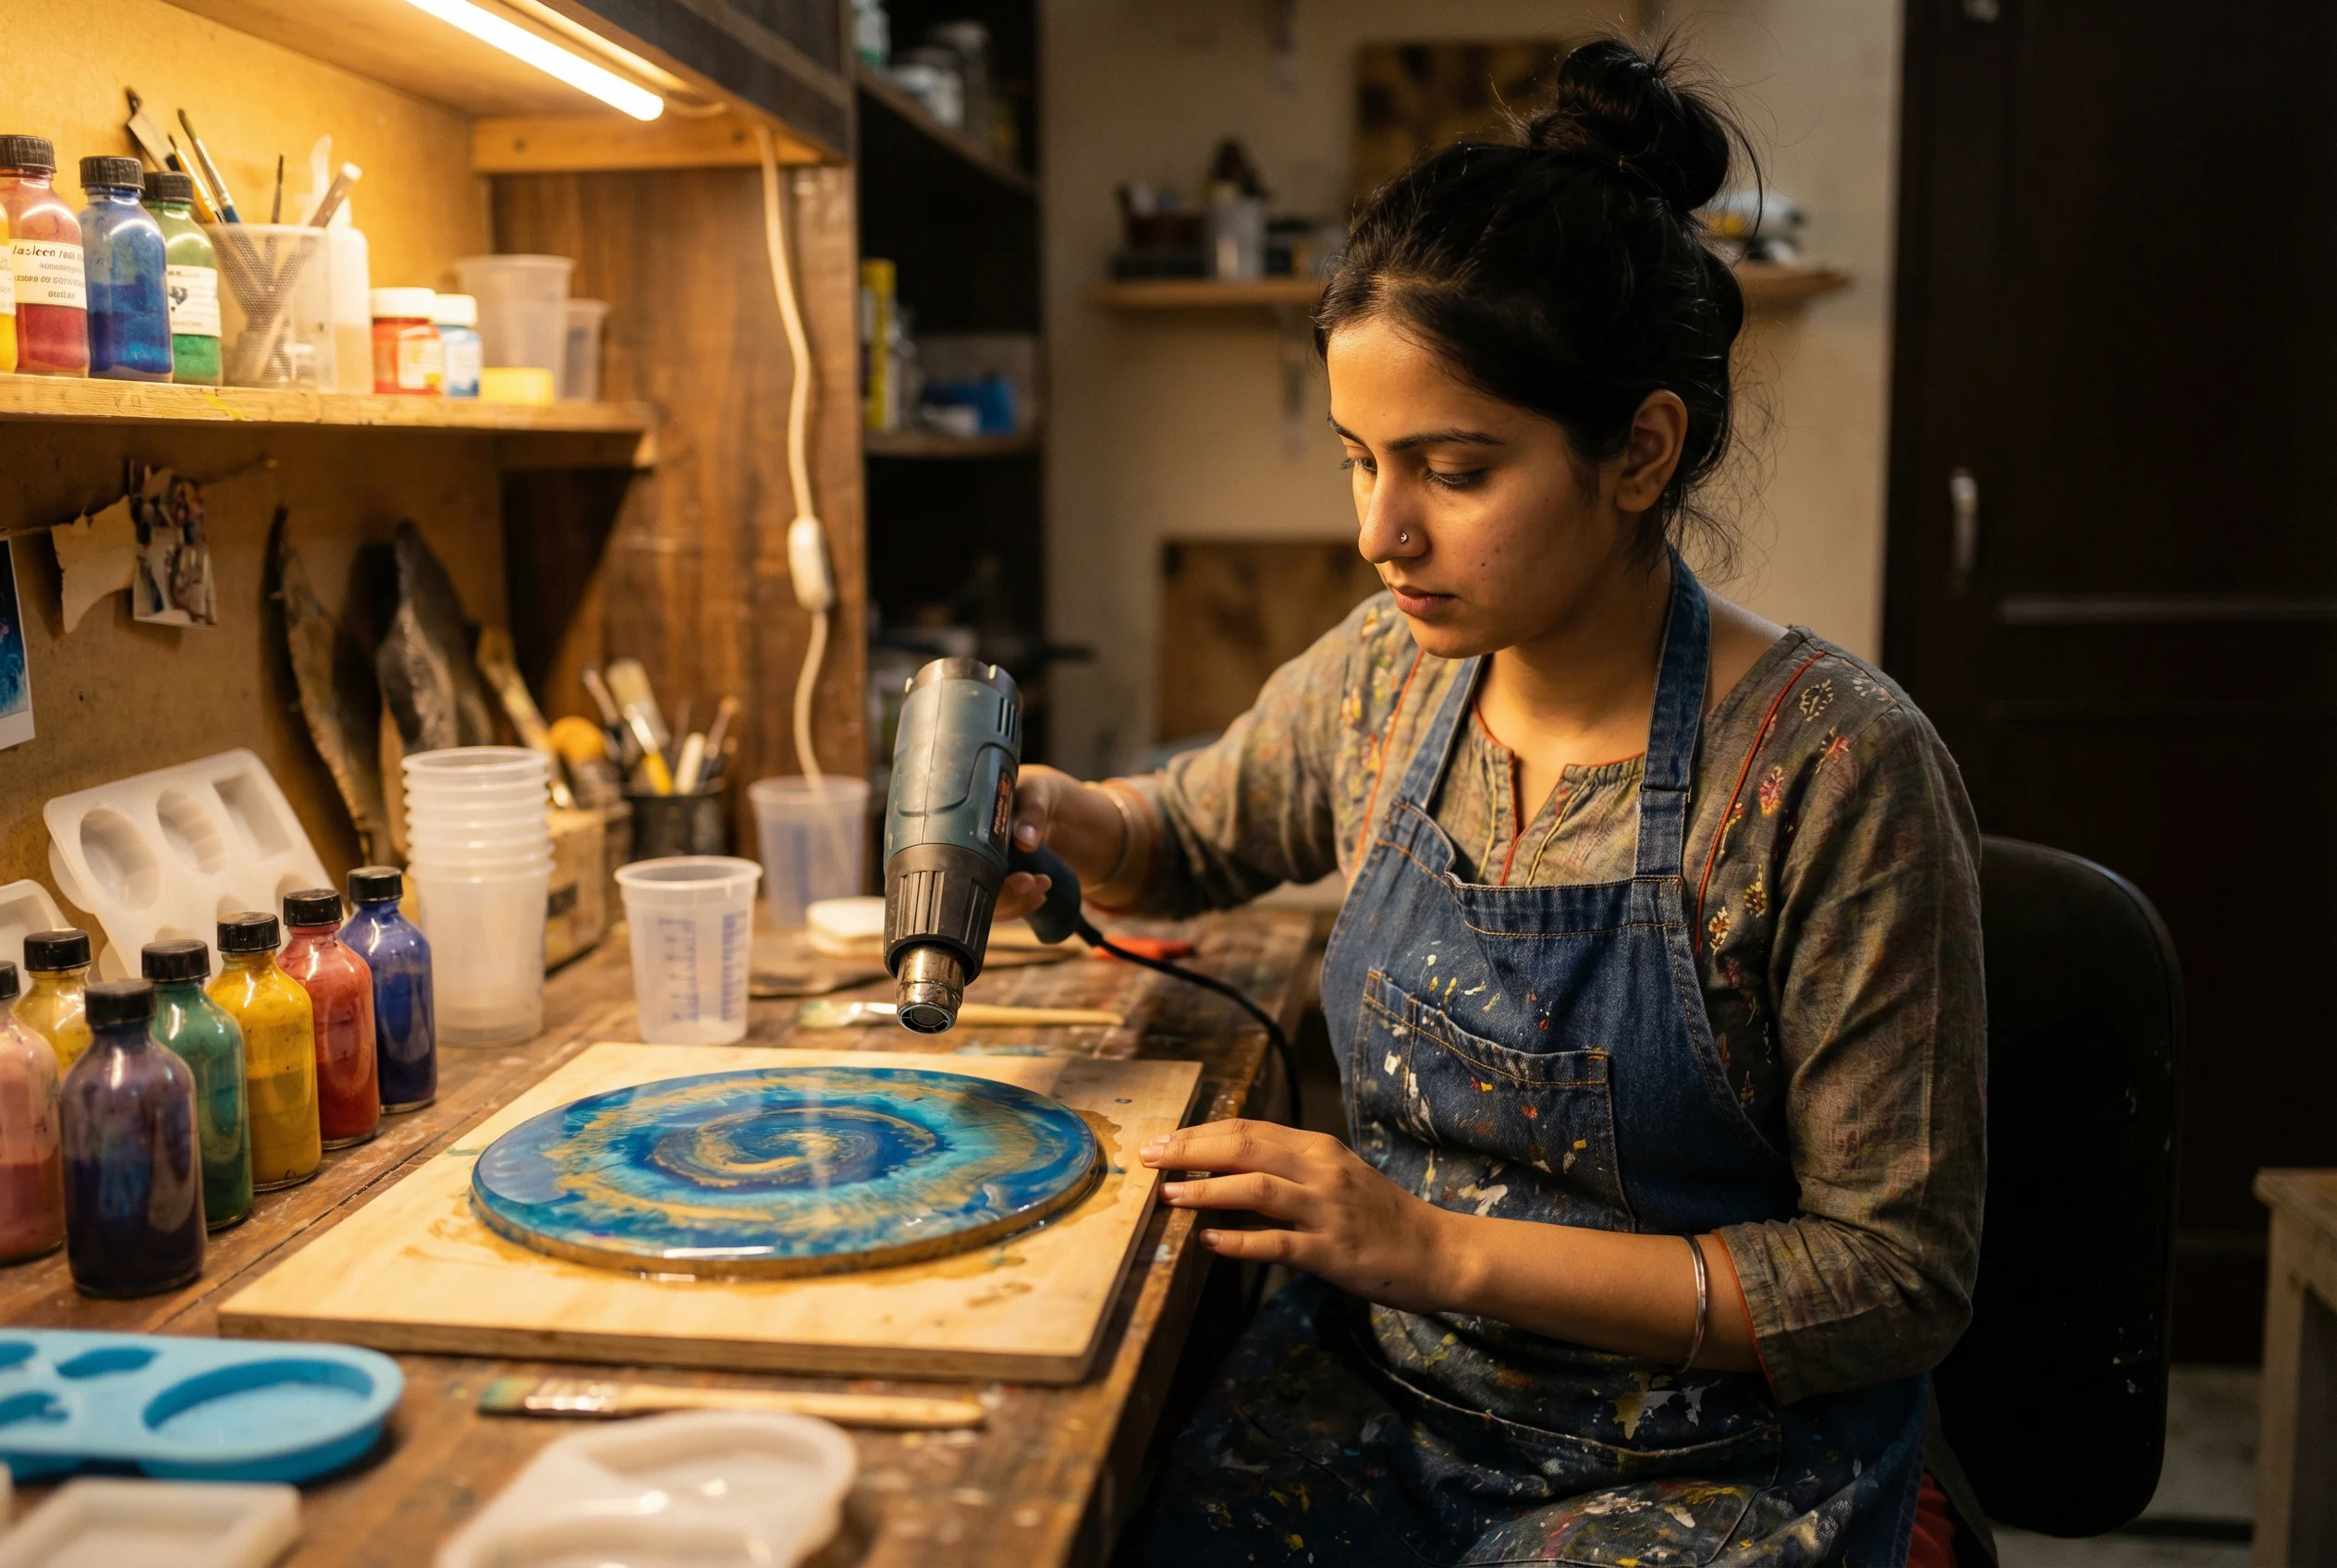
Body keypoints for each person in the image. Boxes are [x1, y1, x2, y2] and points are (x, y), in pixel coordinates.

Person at [999, 36, 1987, 1568]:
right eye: (1358, 461)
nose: (1381, 534)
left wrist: (1432, 1248)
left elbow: (1891, 1278)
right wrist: (1066, 821)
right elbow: (1192, 837)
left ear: (1640, 451)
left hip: (1710, 1452)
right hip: (1389, 1391)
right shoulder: (1387, 677)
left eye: (1453, 469)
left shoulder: (1831, 770)